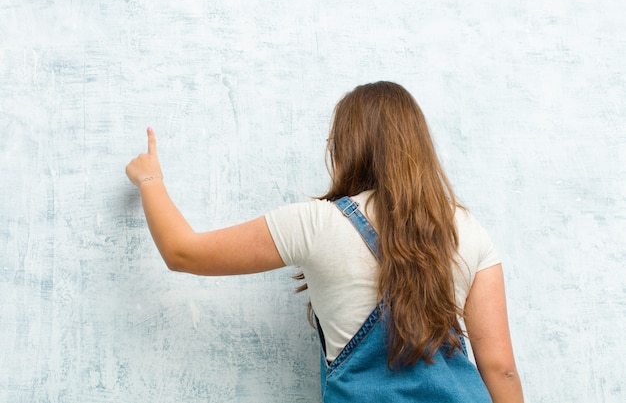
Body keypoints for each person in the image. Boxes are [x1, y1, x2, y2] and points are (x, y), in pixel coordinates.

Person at [126, 81, 524, 402]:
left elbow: (182, 251)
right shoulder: (465, 230)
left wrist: (150, 179)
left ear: (346, 146)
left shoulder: (315, 225)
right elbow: (500, 366)